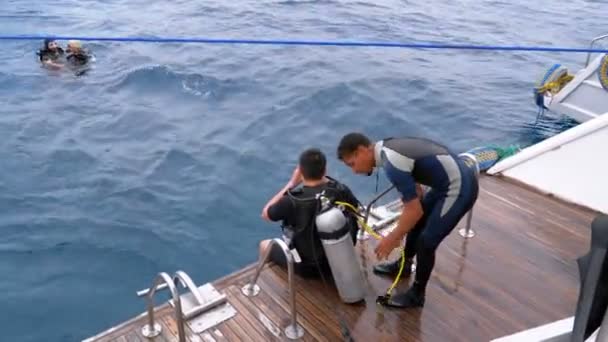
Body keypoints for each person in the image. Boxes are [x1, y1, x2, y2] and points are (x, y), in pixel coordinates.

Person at [336, 133, 479, 308]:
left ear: (362, 150)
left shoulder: (392, 163)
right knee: (416, 224)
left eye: (352, 164)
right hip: (445, 184)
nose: (354, 171)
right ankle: (404, 265)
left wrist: (392, 238)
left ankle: (417, 294)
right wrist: (403, 227)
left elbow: (414, 210)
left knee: (427, 242)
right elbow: (416, 195)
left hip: (460, 187)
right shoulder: (388, 148)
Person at [260, 148, 362, 279]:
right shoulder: (341, 189)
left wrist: (291, 183)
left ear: (301, 172)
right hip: (343, 257)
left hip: (310, 268)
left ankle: (281, 284)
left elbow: (266, 214)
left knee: (264, 245)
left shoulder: (292, 201)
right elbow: (356, 212)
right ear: (325, 170)